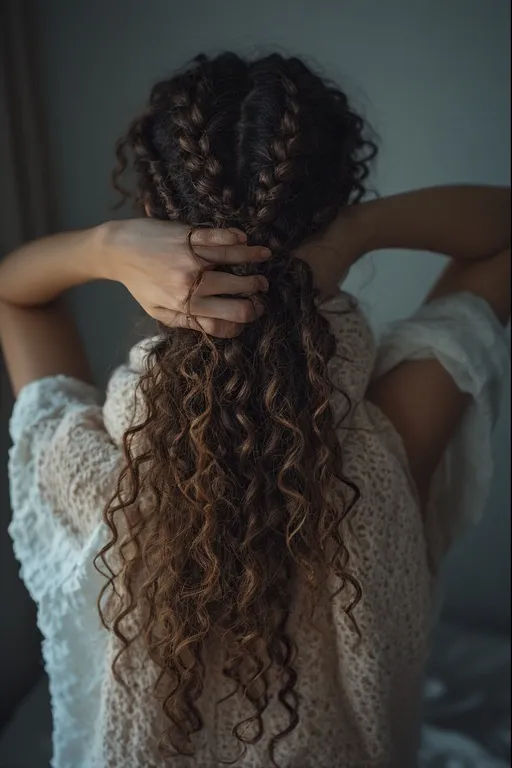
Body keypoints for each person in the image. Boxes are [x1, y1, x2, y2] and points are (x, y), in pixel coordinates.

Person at [0, 52, 509, 768]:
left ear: (156, 221)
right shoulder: (390, 441)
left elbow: (15, 293)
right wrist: (356, 228)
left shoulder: (91, 469)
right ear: (334, 203)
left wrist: (105, 246)